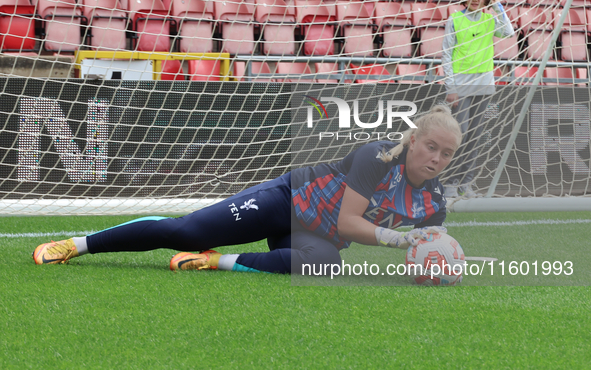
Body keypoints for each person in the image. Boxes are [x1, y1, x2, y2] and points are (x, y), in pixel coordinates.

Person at [33, 105, 462, 275]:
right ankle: (77, 244)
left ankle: (219, 262)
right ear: (412, 140)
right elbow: (351, 223)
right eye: (430, 147)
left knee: (326, 264)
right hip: (285, 202)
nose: (436, 159)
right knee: (186, 232)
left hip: (315, 236)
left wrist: (432, 261)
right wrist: (403, 237)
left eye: (446, 154)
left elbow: (425, 246)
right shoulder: (376, 155)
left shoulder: (435, 201)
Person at [441, 0, 514, 198]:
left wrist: (498, 7)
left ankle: (467, 183)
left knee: (475, 136)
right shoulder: (454, 19)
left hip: (484, 85)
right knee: (461, 133)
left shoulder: (490, 19)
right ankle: (451, 181)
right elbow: (446, 55)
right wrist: (451, 87)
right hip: (461, 86)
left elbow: (509, 32)